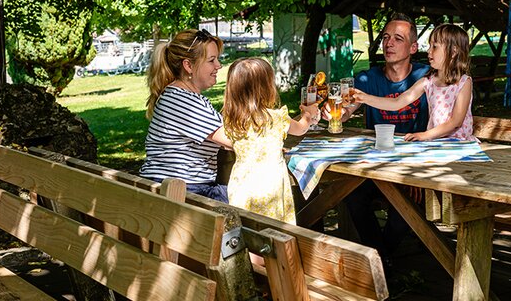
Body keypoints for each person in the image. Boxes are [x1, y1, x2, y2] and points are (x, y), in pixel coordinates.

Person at [325, 13, 430, 265]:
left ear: (413, 48)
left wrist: (418, 172)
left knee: (408, 208)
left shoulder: (426, 78)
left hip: (415, 164)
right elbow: (348, 108)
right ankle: (381, 261)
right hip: (376, 166)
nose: (389, 43)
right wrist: (337, 112)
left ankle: (379, 262)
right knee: (351, 195)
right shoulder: (367, 78)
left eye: (398, 38)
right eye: (385, 37)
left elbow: (444, 122)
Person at [222, 57, 319, 224]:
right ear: (267, 87)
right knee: (276, 232)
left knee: (248, 232)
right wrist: (307, 114)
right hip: (270, 186)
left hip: (242, 184)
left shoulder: (232, 120)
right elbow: (301, 128)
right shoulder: (275, 118)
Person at [140, 29, 232, 203]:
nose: (218, 66)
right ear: (188, 65)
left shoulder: (179, 96)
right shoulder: (183, 101)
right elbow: (233, 139)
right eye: (211, 60)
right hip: (182, 192)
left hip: (172, 189)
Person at [354, 23, 475, 141]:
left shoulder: (464, 82)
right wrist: (363, 98)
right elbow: (397, 103)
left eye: (435, 46)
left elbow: (456, 122)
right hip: (436, 144)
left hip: (460, 143)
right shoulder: (428, 81)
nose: (428, 51)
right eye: (429, 45)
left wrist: (424, 135)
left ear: (453, 52)